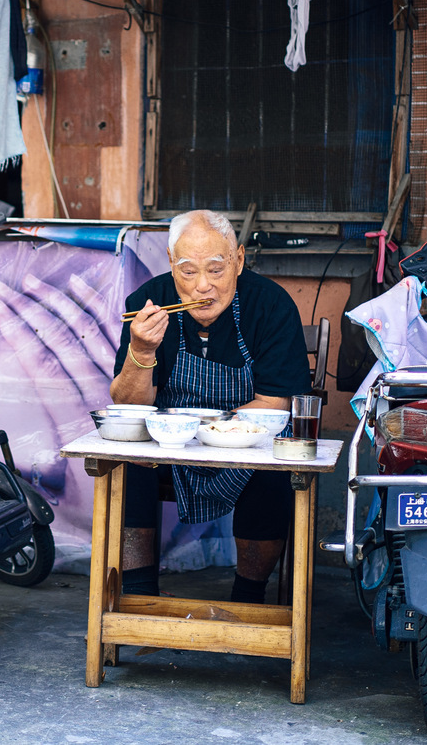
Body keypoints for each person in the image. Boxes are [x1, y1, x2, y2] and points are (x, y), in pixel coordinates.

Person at [109, 209, 312, 603]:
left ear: (237, 260)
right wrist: (141, 350)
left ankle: (248, 598)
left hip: (246, 441)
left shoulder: (270, 306)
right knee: (127, 460)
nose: (202, 287)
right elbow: (128, 405)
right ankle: (137, 597)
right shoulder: (147, 305)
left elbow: (274, 402)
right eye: (187, 272)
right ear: (170, 263)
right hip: (167, 444)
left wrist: (205, 432)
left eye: (216, 270)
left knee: (273, 470)